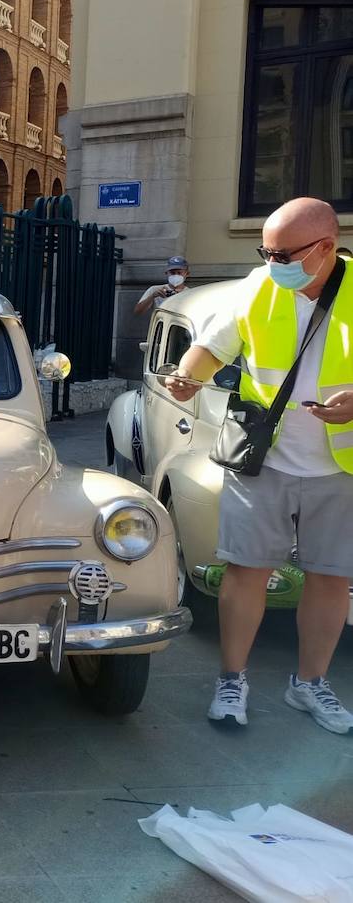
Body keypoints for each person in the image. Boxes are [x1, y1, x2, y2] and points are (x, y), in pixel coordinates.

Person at [164, 198, 353, 734]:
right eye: (265, 251)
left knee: (331, 577)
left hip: (342, 463)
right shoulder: (259, 285)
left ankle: (310, 683)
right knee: (246, 571)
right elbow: (210, 347)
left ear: (324, 249)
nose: (272, 262)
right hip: (261, 457)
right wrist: (185, 375)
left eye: (282, 253)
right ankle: (232, 679)